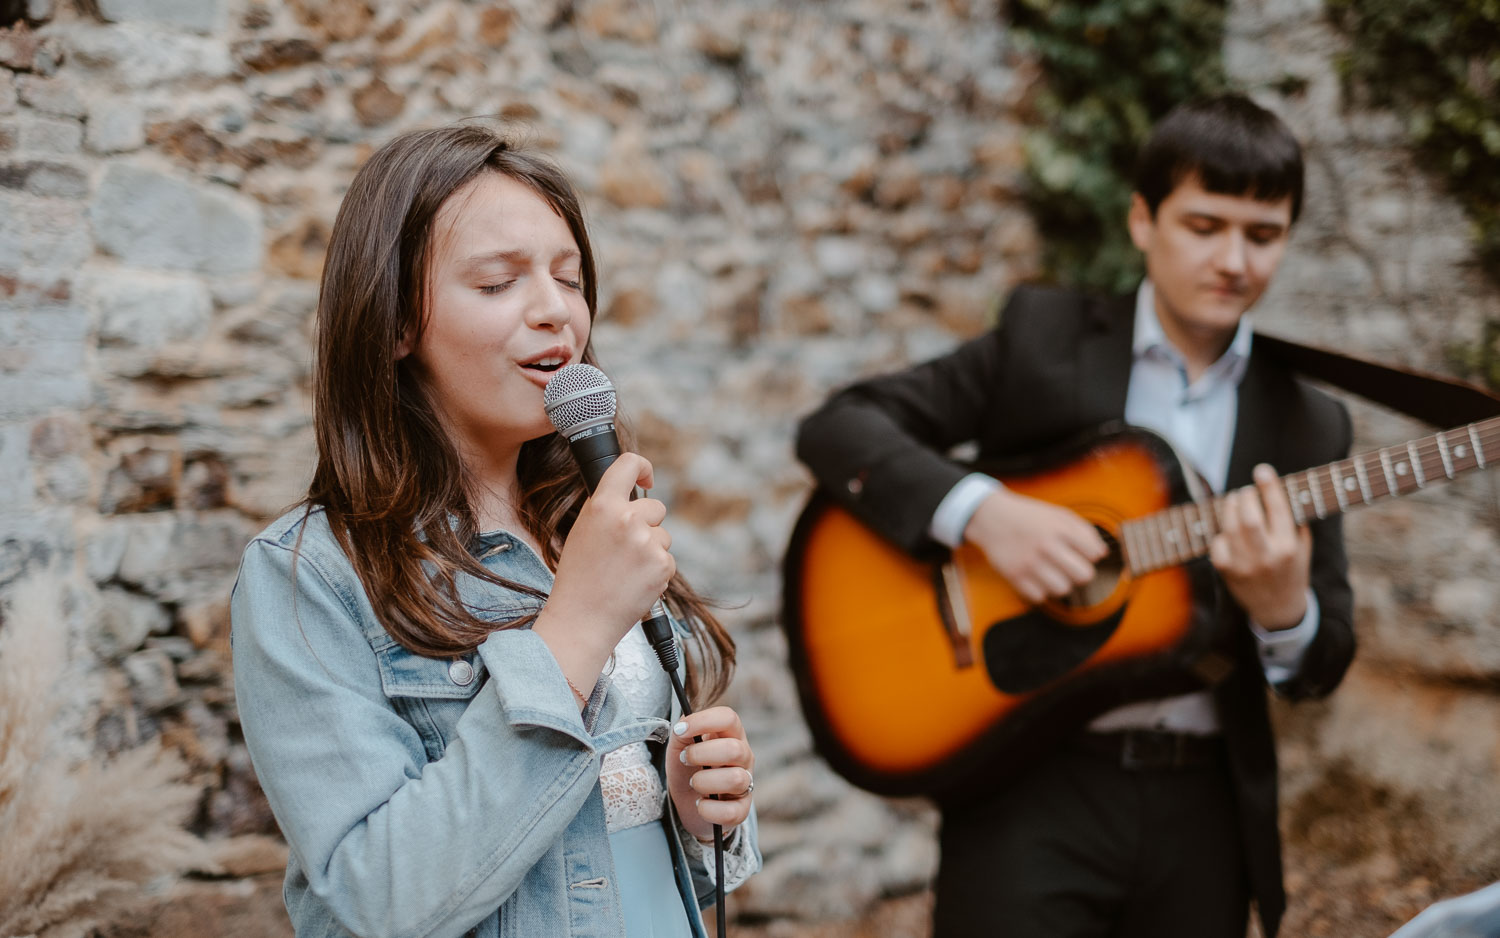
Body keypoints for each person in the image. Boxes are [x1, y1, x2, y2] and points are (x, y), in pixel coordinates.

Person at [795, 94, 1355, 938]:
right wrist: (985, 516)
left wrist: (1285, 612)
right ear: (1142, 219)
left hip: (1204, 803)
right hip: (1031, 782)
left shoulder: (1311, 423)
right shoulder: (1043, 338)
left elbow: (1326, 656)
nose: (1234, 259)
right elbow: (839, 428)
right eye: (1205, 225)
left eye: (1263, 234)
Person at [231, 124, 760, 938]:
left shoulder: (583, 526)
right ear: (398, 323)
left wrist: (692, 815)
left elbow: (608, 840)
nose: (555, 311)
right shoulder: (310, 576)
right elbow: (375, 900)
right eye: (497, 283)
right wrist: (574, 629)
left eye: (569, 278)